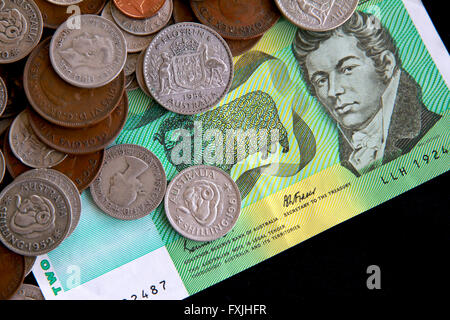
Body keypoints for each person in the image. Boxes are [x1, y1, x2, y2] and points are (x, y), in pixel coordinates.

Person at [292, 11, 441, 176]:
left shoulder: (436, 130)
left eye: (347, 69)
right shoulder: (344, 156)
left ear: (386, 64)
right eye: (321, 80)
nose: (333, 91)